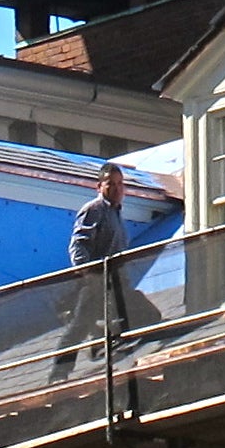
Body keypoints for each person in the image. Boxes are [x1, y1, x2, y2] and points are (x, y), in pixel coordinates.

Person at [50, 161, 154, 380]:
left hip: (116, 280)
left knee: (147, 315)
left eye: (120, 184)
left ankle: (108, 343)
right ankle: (59, 372)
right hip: (97, 279)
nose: (117, 189)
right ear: (99, 187)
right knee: (79, 325)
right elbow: (79, 244)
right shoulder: (94, 210)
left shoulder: (116, 213)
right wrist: (88, 272)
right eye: (110, 184)